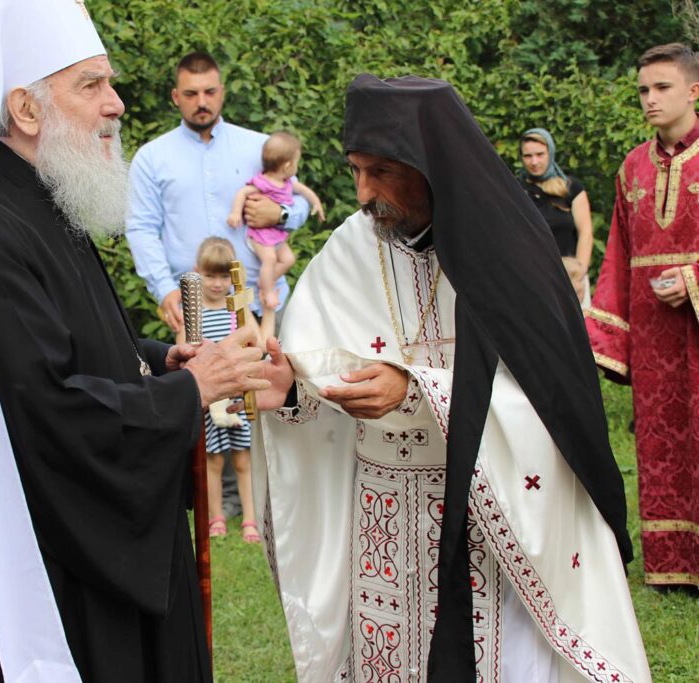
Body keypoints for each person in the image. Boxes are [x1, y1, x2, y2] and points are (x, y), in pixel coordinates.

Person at [0, 3, 268, 682]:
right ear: (27, 110)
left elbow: (81, 340)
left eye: (110, 83)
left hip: (83, 544)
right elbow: (45, 409)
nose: (117, 104)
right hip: (56, 564)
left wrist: (161, 360)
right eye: (91, 85)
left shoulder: (44, 195)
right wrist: (190, 390)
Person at [251, 74, 650, 682]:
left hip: (498, 518)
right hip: (385, 515)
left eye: (382, 172)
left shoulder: (511, 245)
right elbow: (312, 381)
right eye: (356, 170)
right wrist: (290, 391)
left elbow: (554, 400)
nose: (363, 193)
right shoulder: (348, 250)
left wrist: (416, 390)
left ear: (429, 163)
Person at [586, 42, 699, 591]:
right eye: (643, 91)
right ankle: (672, 566)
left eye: (662, 88)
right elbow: (618, 253)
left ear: (694, 90)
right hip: (654, 333)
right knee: (660, 441)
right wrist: (609, 335)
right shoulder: (632, 166)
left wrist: (693, 278)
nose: (650, 100)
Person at [126, 51, 312, 333]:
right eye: (191, 94)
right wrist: (164, 290)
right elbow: (141, 229)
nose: (202, 102)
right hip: (200, 315)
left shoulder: (259, 147)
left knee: (282, 377)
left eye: (209, 91)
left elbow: (299, 201)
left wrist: (281, 213)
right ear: (176, 97)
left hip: (264, 303)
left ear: (222, 92)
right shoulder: (151, 158)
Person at [176, 237, 274, 543]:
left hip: (237, 399)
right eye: (210, 276)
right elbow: (183, 350)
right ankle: (215, 516)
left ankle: (250, 518)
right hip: (210, 400)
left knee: (243, 460)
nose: (217, 284)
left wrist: (268, 312)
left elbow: (258, 345)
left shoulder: (239, 312)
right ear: (197, 272)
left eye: (223, 277)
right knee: (213, 461)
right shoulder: (192, 314)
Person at [227, 131, 326, 309]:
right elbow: (243, 192)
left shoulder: (288, 183)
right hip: (260, 235)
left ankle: (265, 281)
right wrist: (235, 213)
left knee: (288, 259)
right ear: (288, 165)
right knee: (270, 259)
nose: (297, 167)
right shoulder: (263, 182)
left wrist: (316, 203)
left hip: (276, 234)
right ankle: (266, 290)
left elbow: (305, 192)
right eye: (297, 162)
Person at [518, 127, 594, 305]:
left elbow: (586, 233)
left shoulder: (571, 188)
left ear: (550, 153)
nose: (534, 161)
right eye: (528, 156)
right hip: (533, 280)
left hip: (571, 278)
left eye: (540, 154)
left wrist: (579, 274)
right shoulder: (516, 191)